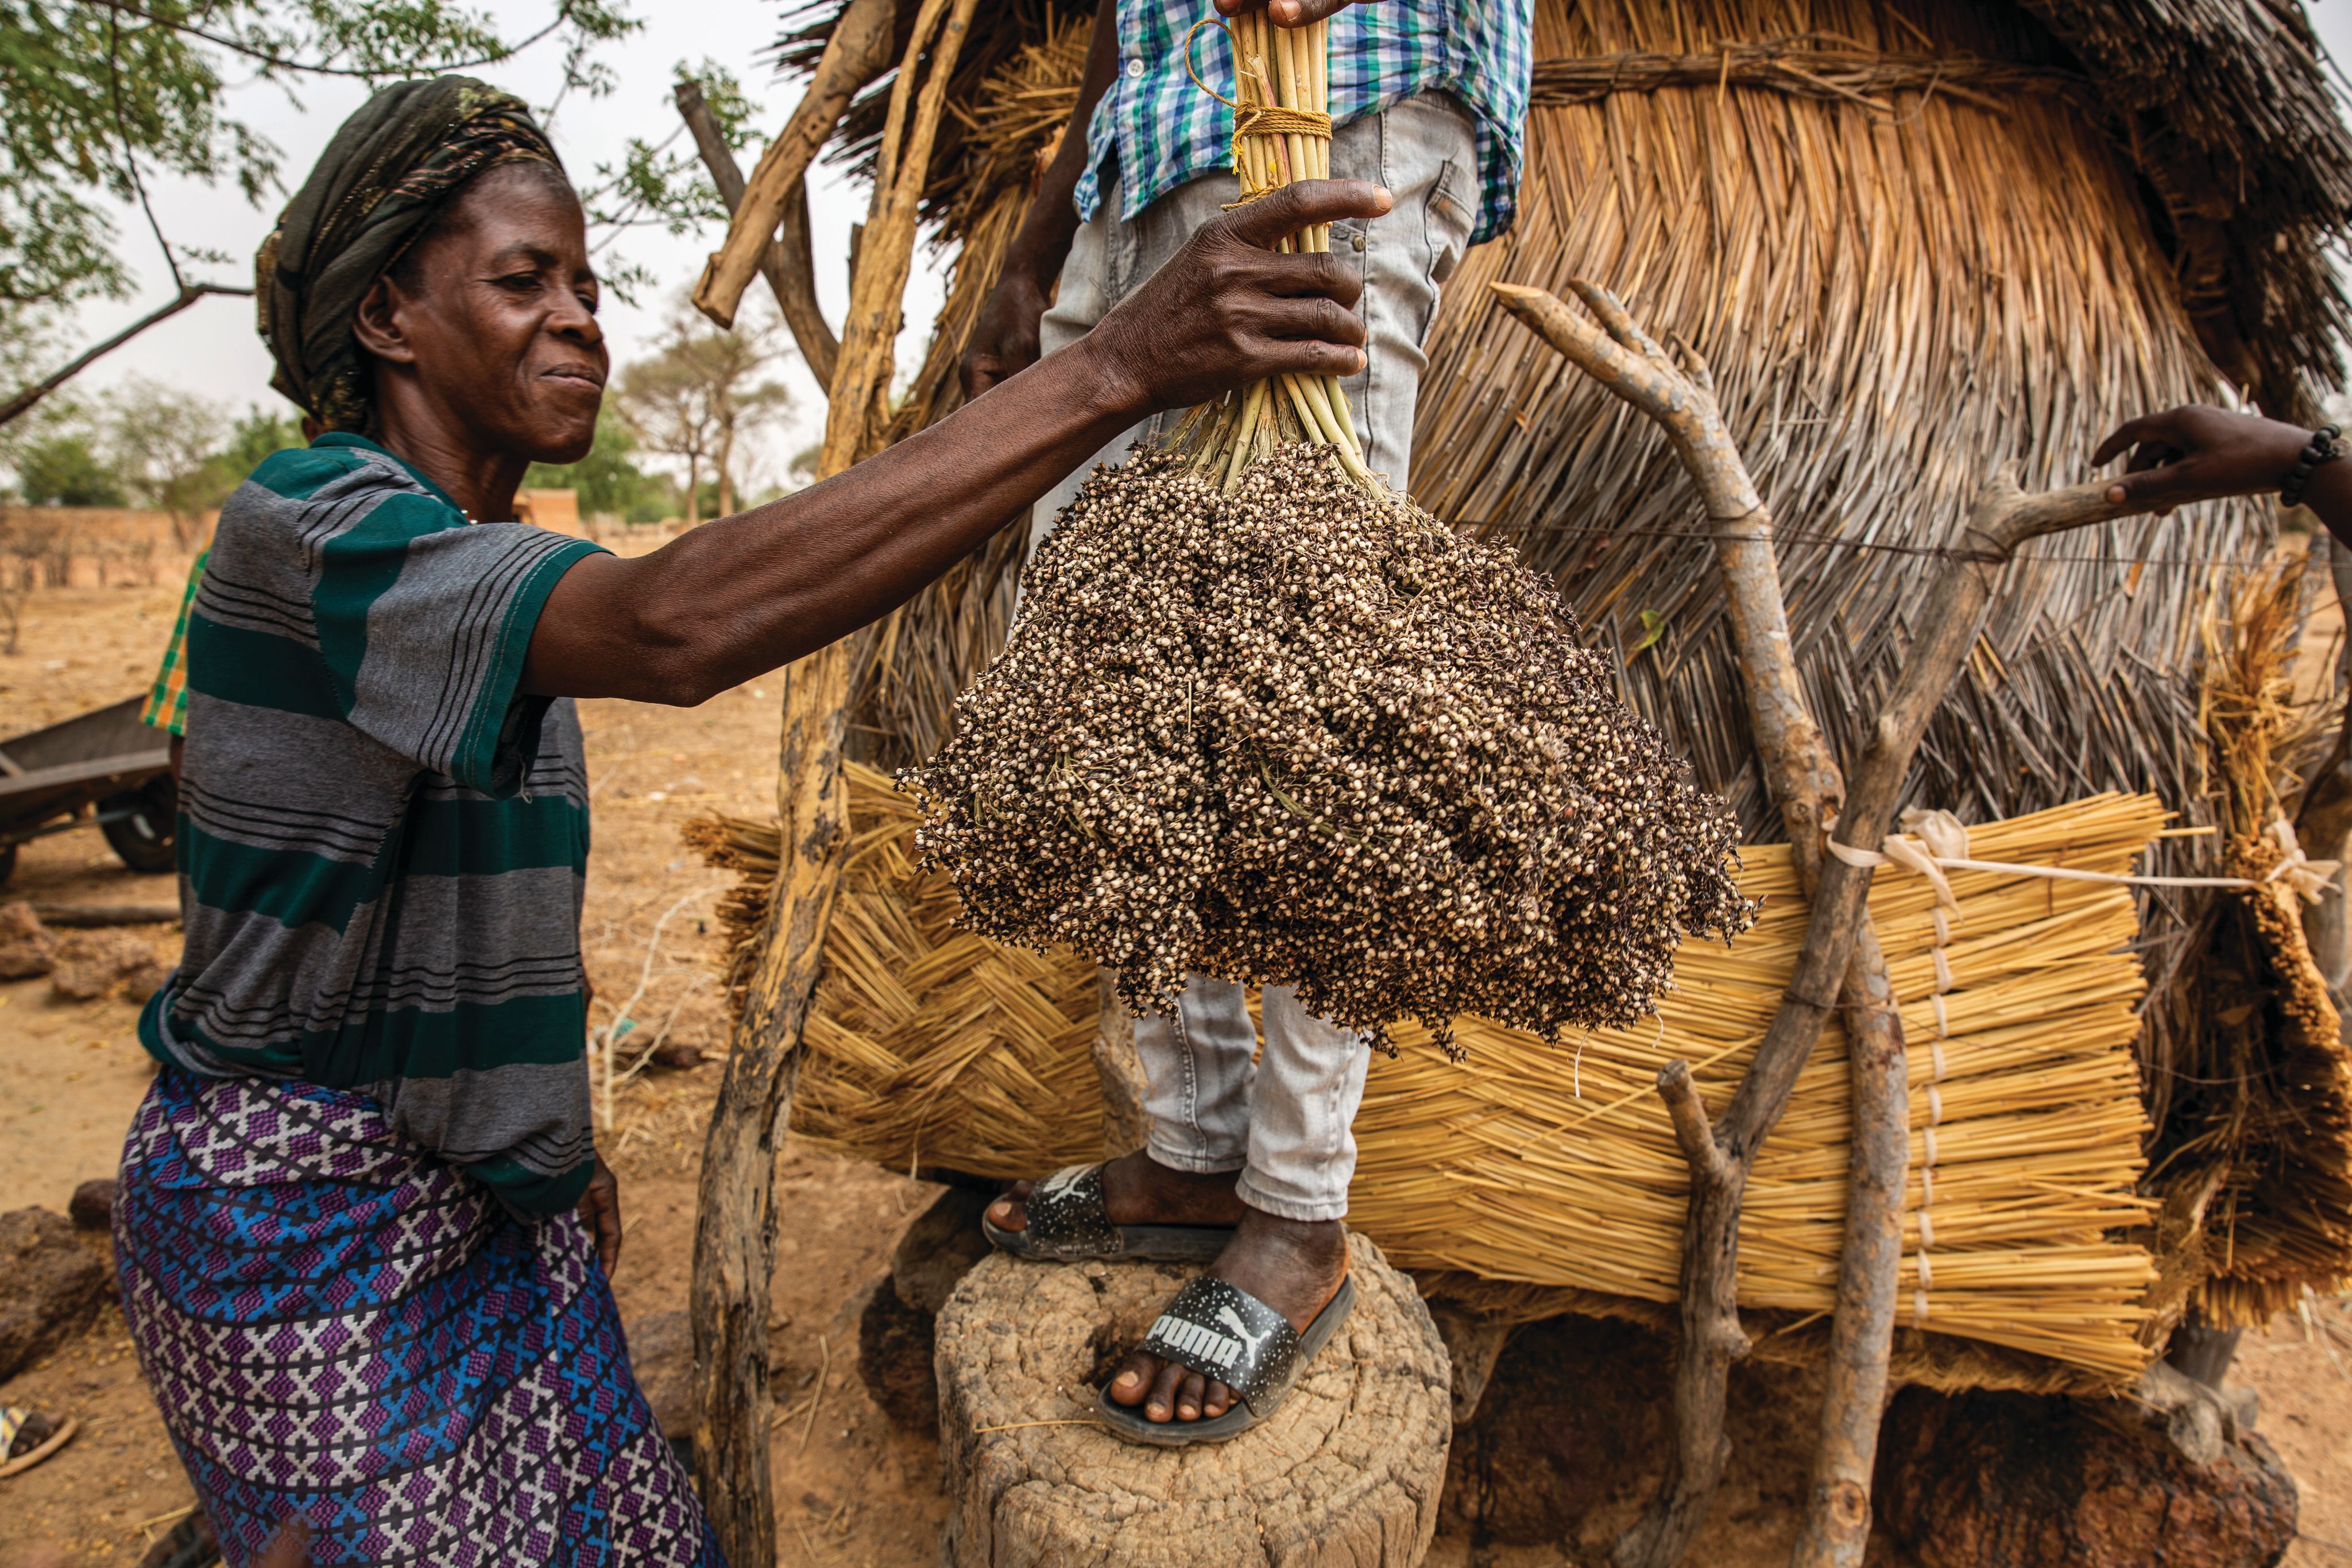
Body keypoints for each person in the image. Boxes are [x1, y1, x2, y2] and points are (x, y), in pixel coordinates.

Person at [112, 72, 1387, 1564]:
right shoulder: (316, 521)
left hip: (483, 1217)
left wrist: (549, 1157)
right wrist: (1112, 367)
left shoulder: (475, 574)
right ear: (386, 315)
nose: (584, 317)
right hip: (309, 1230)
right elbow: (680, 624)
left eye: (588, 282)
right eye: (525, 280)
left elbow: (461, 918)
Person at [962, 0, 1532, 1441]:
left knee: (1315, 688)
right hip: (1139, 169)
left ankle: (1292, 1210)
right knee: (1113, 681)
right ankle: (1194, 1151)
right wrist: (1040, 246)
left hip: (1327, 113)